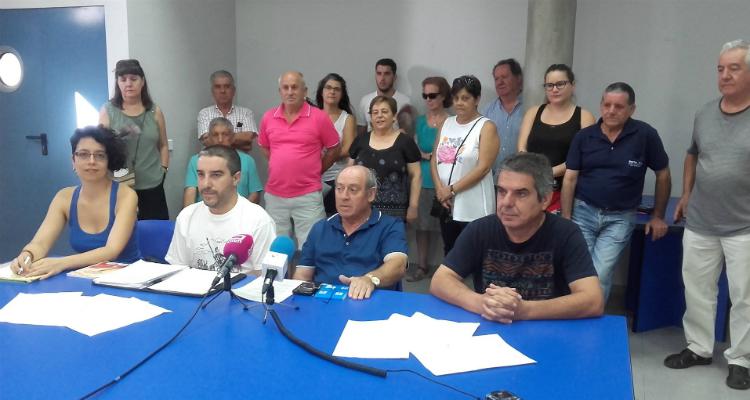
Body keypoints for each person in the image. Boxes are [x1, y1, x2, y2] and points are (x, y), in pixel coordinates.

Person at [663, 39, 750, 390]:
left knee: (744, 297)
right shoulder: (704, 113)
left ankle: (741, 359)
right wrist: (686, 194)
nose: (725, 75)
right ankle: (699, 348)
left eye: (734, 68)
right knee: (698, 289)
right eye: (720, 69)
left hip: (744, 224)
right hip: (701, 220)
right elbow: (692, 154)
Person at [430, 152, 603, 322]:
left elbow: (593, 301)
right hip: (491, 327)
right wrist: (482, 303)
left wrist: (524, 310)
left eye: (521, 194)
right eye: (502, 191)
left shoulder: (566, 233)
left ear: (545, 199)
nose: (506, 202)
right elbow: (440, 281)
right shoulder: (480, 229)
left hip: (546, 328)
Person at [561, 82, 671, 302]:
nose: (611, 111)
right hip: (583, 213)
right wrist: (566, 218)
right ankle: (574, 315)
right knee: (578, 271)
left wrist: (658, 216)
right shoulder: (584, 136)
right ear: (601, 105)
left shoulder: (645, 135)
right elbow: (570, 178)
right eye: (607, 105)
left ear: (631, 109)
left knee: (600, 273)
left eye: (619, 106)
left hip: (620, 217)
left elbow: (663, 174)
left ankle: (592, 316)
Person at [9, 126, 140, 279]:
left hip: (127, 279)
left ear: (108, 161)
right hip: (85, 278)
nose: (91, 161)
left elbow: (111, 251)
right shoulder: (64, 197)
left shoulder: (126, 196)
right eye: (83, 154)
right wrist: (27, 255)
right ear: (73, 160)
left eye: (100, 155)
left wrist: (61, 263)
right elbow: (40, 243)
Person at [294, 166, 408, 300]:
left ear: (371, 194)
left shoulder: (389, 226)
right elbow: (302, 275)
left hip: (369, 302)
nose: (344, 196)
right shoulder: (320, 228)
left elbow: (398, 264)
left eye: (353, 190)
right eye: (339, 189)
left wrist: (370, 279)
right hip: (323, 302)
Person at [258, 71, 341, 252]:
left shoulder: (319, 117)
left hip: (308, 195)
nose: (290, 92)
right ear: (280, 91)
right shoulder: (268, 117)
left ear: (305, 91)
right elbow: (264, 147)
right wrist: (283, 165)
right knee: (275, 251)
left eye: (295, 87)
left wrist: (317, 169)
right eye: (285, 87)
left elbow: (335, 148)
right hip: (275, 196)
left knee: (312, 249)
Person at [166, 145, 276, 274]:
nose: (206, 184)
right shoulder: (186, 216)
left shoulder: (259, 221)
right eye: (201, 174)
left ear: (236, 178)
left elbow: (263, 276)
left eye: (216, 175)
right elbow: (177, 270)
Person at [431, 75, 499, 255]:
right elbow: (434, 158)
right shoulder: (446, 123)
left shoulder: (486, 126)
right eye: (456, 98)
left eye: (465, 98)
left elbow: (483, 168)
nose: (459, 103)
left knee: (475, 254)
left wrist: (451, 190)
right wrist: (440, 190)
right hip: (447, 203)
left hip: (474, 204)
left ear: (477, 99)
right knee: (450, 252)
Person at [517, 64, 596, 213]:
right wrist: (535, 172)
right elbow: (522, 148)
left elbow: (584, 157)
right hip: (532, 186)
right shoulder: (533, 112)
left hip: (566, 190)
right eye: (550, 85)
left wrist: (548, 172)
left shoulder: (585, 117)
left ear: (572, 85)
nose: (554, 89)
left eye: (560, 84)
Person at [99, 59, 169, 220]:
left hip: (153, 184)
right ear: (117, 82)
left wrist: (164, 170)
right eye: (123, 79)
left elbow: (163, 145)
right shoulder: (107, 110)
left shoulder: (155, 111)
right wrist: (121, 133)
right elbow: (101, 147)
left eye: (133, 79)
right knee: (123, 230)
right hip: (120, 184)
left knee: (154, 230)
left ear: (142, 82)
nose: (128, 84)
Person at [407, 76, 451, 282]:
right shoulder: (419, 122)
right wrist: (424, 155)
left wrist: (433, 155)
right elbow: (411, 147)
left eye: (432, 95)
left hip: (445, 180)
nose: (428, 100)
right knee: (422, 226)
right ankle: (422, 265)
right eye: (425, 96)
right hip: (423, 177)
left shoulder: (451, 121)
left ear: (443, 96)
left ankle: (450, 269)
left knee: (447, 227)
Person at [350, 96, 421, 221]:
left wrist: (413, 206)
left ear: (394, 116)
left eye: (384, 111)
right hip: (362, 209)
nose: (379, 116)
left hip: (395, 213)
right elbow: (349, 172)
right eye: (375, 112)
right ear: (370, 117)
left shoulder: (405, 142)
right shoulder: (360, 140)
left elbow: (416, 175)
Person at [183, 117, 262, 208]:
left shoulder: (247, 161)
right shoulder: (196, 160)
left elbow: (254, 193)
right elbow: (190, 193)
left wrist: (240, 212)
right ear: (209, 138)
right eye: (215, 135)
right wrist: (189, 214)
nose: (220, 139)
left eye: (225, 134)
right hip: (205, 212)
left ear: (232, 137)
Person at [315, 73, 356, 215]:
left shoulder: (347, 118)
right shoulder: (312, 116)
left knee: (335, 219)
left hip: (337, 179)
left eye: (337, 89)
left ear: (342, 94)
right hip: (313, 178)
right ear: (321, 92)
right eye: (328, 88)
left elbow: (348, 149)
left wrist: (321, 157)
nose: (332, 91)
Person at [197, 70, 257, 152]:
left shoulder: (245, 113)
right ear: (212, 91)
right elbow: (207, 140)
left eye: (227, 86)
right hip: (212, 159)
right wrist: (238, 140)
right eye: (218, 87)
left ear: (234, 90)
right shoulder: (204, 114)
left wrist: (217, 138)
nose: (222, 91)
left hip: (239, 159)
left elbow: (248, 138)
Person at [482, 59, 524, 174]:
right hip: (492, 177)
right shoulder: (487, 111)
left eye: (504, 77)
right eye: (496, 79)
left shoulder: (529, 109)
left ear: (518, 79)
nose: (499, 82)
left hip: (520, 177)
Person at [356, 58, 414, 136]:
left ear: (394, 77)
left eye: (387, 74)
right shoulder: (365, 100)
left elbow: (408, 133)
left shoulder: (405, 102)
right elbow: (361, 130)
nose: (382, 78)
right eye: (379, 73)